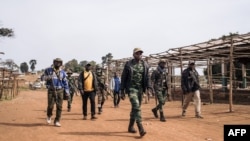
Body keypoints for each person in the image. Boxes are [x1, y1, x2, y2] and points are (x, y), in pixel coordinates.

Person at [120, 47, 150, 137]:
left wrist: (149, 88)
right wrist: (122, 91)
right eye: (137, 53)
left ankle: (130, 127)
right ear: (133, 54)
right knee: (136, 107)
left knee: (135, 108)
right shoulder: (128, 64)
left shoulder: (145, 64)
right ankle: (141, 128)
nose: (139, 55)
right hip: (131, 89)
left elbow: (147, 77)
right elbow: (123, 77)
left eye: (140, 53)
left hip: (140, 89)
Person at [43, 58, 70, 127]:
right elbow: (42, 78)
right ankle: (49, 115)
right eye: (56, 62)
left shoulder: (63, 72)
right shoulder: (48, 70)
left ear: (61, 64)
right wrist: (48, 77)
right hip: (51, 90)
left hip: (60, 90)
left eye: (59, 62)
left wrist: (67, 92)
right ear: (54, 63)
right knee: (50, 106)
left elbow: (65, 83)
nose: (58, 64)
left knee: (59, 106)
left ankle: (57, 120)